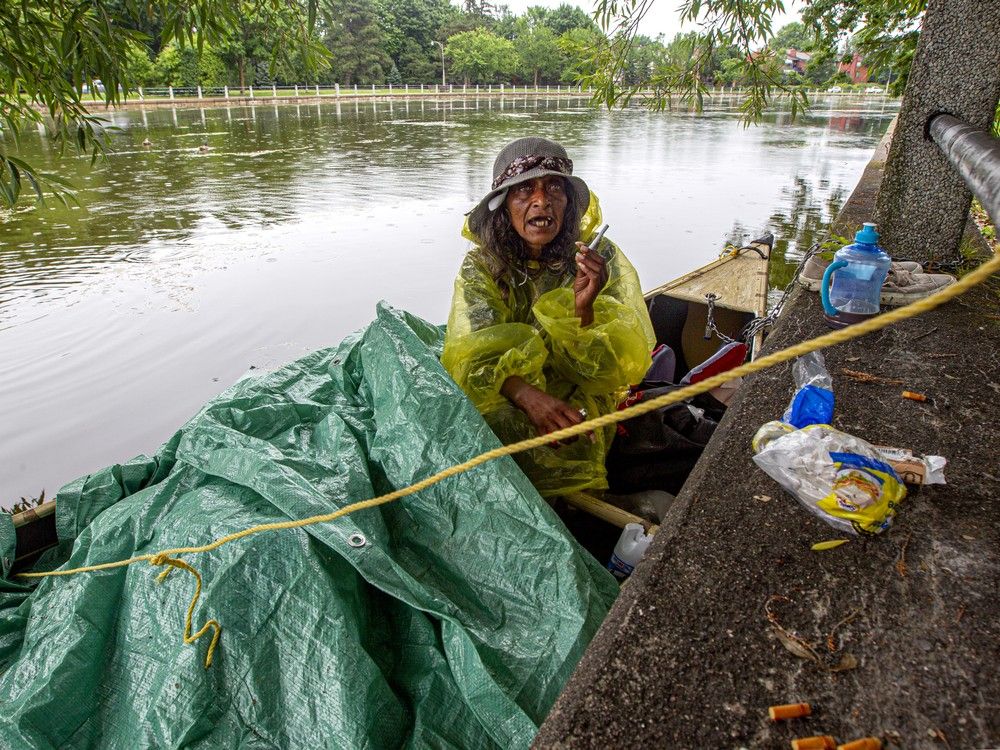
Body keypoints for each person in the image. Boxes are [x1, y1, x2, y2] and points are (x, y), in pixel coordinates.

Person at [442, 137, 656, 497]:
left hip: (578, 384)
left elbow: (604, 370)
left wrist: (583, 308)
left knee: (577, 435)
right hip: (506, 389)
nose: (541, 201)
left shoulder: (597, 258)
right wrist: (528, 397)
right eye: (524, 190)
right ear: (504, 205)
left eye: (553, 187)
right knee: (491, 432)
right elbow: (476, 361)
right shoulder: (481, 266)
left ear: (569, 204)